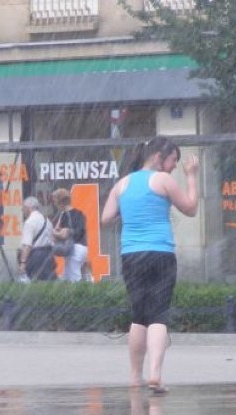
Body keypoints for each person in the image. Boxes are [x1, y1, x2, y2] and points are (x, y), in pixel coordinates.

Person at [101, 135, 199, 394]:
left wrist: (130, 209)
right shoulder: (163, 180)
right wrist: (191, 177)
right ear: (159, 156)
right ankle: (155, 375)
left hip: (131, 255)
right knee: (158, 315)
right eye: (173, 161)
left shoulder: (122, 184)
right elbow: (190, 209)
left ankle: (135, 376)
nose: (174, 167)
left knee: (139, 317)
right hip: (160, 253)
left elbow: (106, 218)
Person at [51, 188, 88, 283]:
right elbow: (80, 230)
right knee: (69, 276)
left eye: (55, 202)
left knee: (74, 279)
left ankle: (81, 295)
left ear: (60, 202)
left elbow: (61, 233)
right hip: (83, 248)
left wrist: (55, 233)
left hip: (73, 249)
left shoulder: (64, 215)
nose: (55, 205)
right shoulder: (79, 213)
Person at [17, 196, 56, 281]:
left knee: (36, 284)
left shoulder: (29, 222)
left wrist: (23, 263)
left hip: (36, 257)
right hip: (49, 256)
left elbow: (27, 245)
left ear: (29, 207)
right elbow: (53, 240)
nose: (23, 211)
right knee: (49, 284)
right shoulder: (47, 221)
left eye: (23, 208)